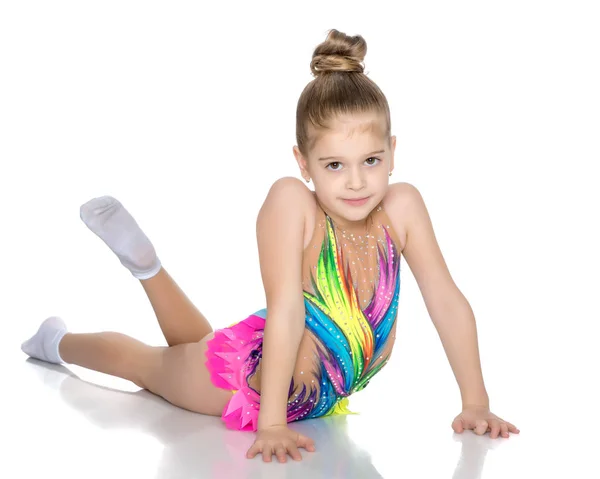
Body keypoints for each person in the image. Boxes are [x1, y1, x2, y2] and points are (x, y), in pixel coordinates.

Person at [21, 28, 520, 463]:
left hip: (312, 391)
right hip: (254, 383)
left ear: (394, 151)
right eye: (333, 165)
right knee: (150, 367)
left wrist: (474, 400)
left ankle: (147, 266)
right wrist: (271, 423)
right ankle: (54, 341)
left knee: (191, 348)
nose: (356, 183)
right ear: (303, 163)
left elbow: (447, 300)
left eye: (370, 160)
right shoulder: (293, 203)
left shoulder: (403, 206)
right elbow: (286, 311)